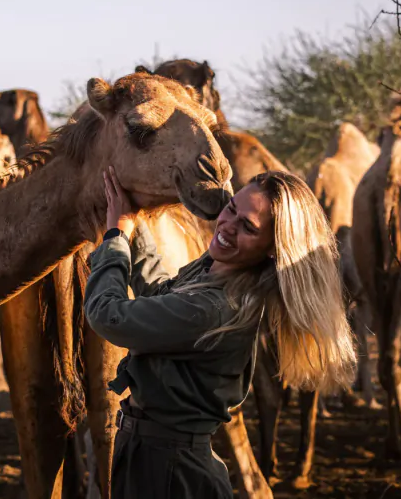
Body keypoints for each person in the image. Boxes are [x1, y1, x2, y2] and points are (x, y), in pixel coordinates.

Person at [85, 166, 357, 499]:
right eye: (231, 209)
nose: (227, 225)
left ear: (273, 249)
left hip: (170, 472)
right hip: (151, 456)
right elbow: (160, 295)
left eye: (248, 227)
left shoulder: (217, 307)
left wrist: (117, 240)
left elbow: (107, 316)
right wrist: (134, 223)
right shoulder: (215, 272)